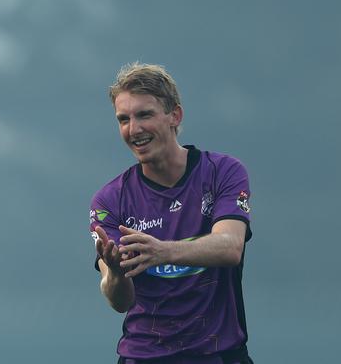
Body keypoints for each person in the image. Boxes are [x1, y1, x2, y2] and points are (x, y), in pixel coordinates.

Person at [89, 62, 253, 364]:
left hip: (218, 354)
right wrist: (115, 272)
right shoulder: (109, 200)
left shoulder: (223, 172)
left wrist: (161, 252)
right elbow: (119, 300)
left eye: (144, 115)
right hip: (143, 357)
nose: (133, 129)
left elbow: (231, 247)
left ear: (174, 116)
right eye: (123, 119)